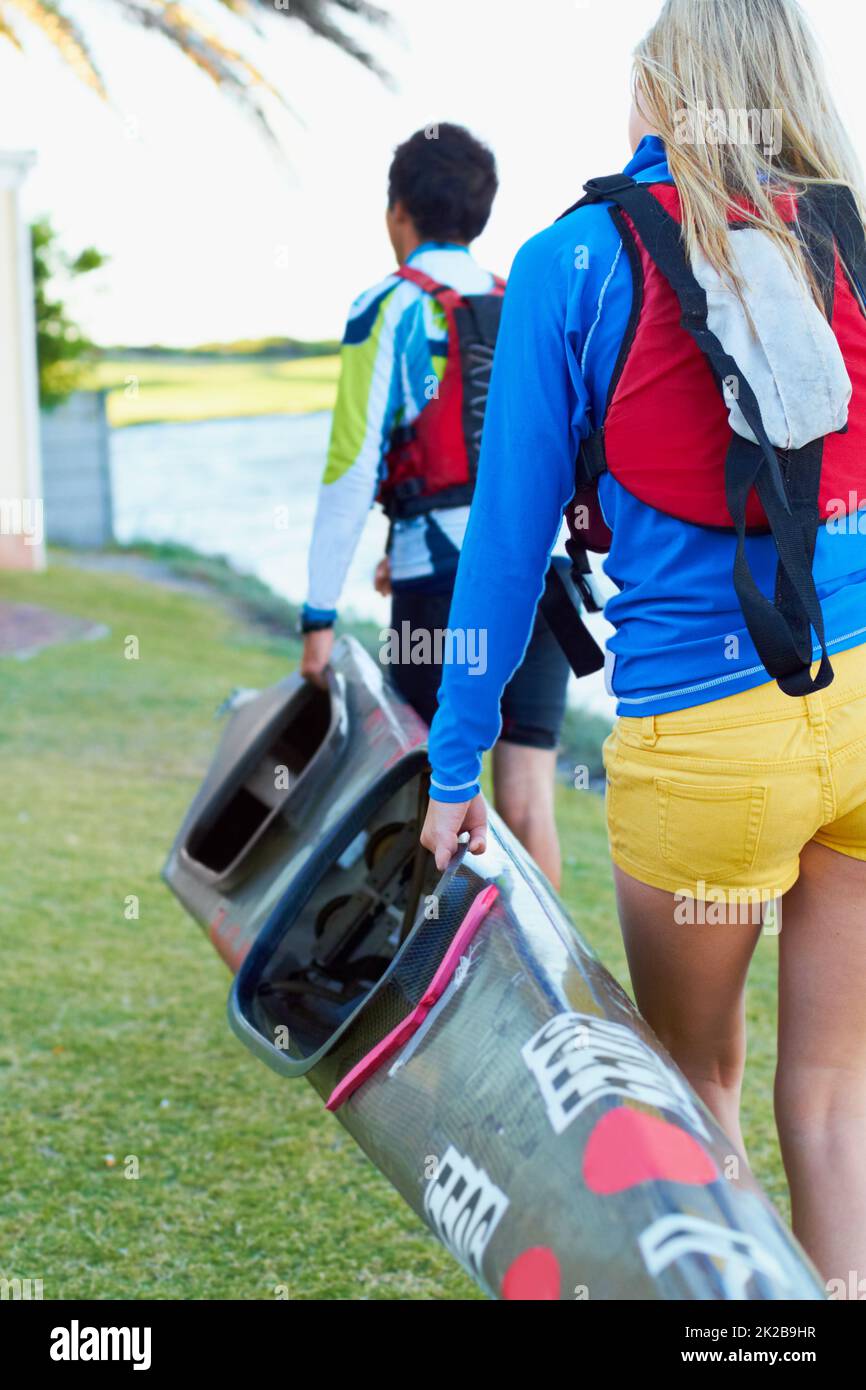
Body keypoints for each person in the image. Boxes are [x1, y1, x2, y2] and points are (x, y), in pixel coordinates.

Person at [421, 0, 866, 1289]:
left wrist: (458, 769)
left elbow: (501, 558)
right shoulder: (844, 235)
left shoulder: (575, 259)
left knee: (696, 1092)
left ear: (661, 92)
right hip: (862, 712)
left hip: (709, 742)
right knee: (835, 1092)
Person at [300, 122, 571, 887]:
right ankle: (553, 987)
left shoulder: (385, 308)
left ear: (398, 213)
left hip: (441, 587)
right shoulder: (526, 300)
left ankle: (429, 991)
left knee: (435, 798)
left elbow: (351, 471)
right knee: (528, 803)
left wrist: (319, 619)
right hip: (546, 579)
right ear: (480, 213)